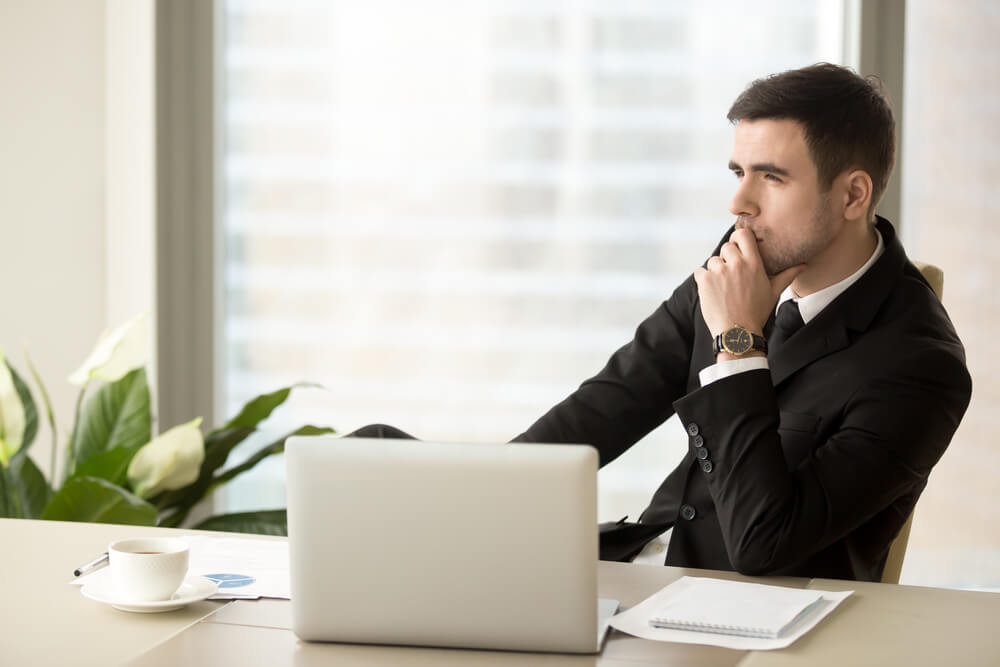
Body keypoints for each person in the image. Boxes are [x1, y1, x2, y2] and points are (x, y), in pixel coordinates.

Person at [510, 62, 972, 582]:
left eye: (771, 177)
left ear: (852, 195)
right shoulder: (742, 258)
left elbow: (764, 547)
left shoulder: (921, 367)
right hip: (645, 572)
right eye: (739, 172)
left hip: (757, 625)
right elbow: (615, 398)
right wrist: (489, 487)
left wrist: (739, 345)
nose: (739, 204)